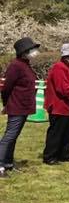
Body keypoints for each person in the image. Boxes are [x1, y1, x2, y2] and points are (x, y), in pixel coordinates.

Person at [0, 37, 40, 177]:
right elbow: (6, 88)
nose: (35, 52)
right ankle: (0, 165)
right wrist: (6, 104)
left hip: (23, 106)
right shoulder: (16, 65)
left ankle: (8, 163)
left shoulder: (25, 64)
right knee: (9, 136)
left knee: (14, 136)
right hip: (16, 106)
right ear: (24, 52)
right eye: (32, 49)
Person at [42, 43, 69, 165]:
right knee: (56, 132)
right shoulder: (59, 67)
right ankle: (50, 156)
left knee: (68, 131)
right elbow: (63, 88)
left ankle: (64, 155)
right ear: (67, 56)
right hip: (58, 105)